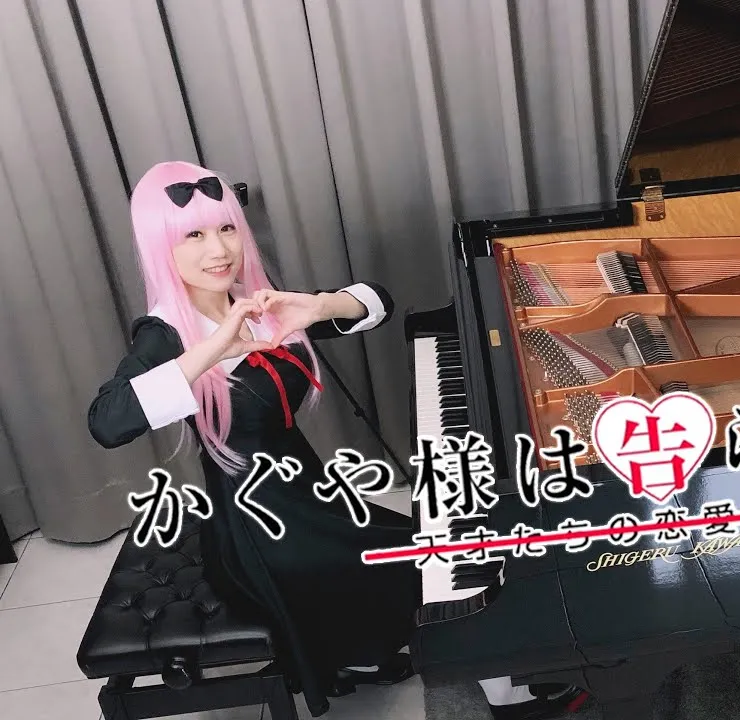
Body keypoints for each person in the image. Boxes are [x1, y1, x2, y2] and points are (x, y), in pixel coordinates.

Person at [87, 161, 590, 720]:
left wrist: (321, 306)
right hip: (259, 527)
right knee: (432, 558)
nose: (219, 249)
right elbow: (107, 422)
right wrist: (210, 350)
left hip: (309, 494)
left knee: (444, 541)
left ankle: (370, 653)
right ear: (162, 246)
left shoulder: (252, 300)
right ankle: (507, 696)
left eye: (227, 228)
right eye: (195, 235)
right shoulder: (163, 332)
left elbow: (378, 302)